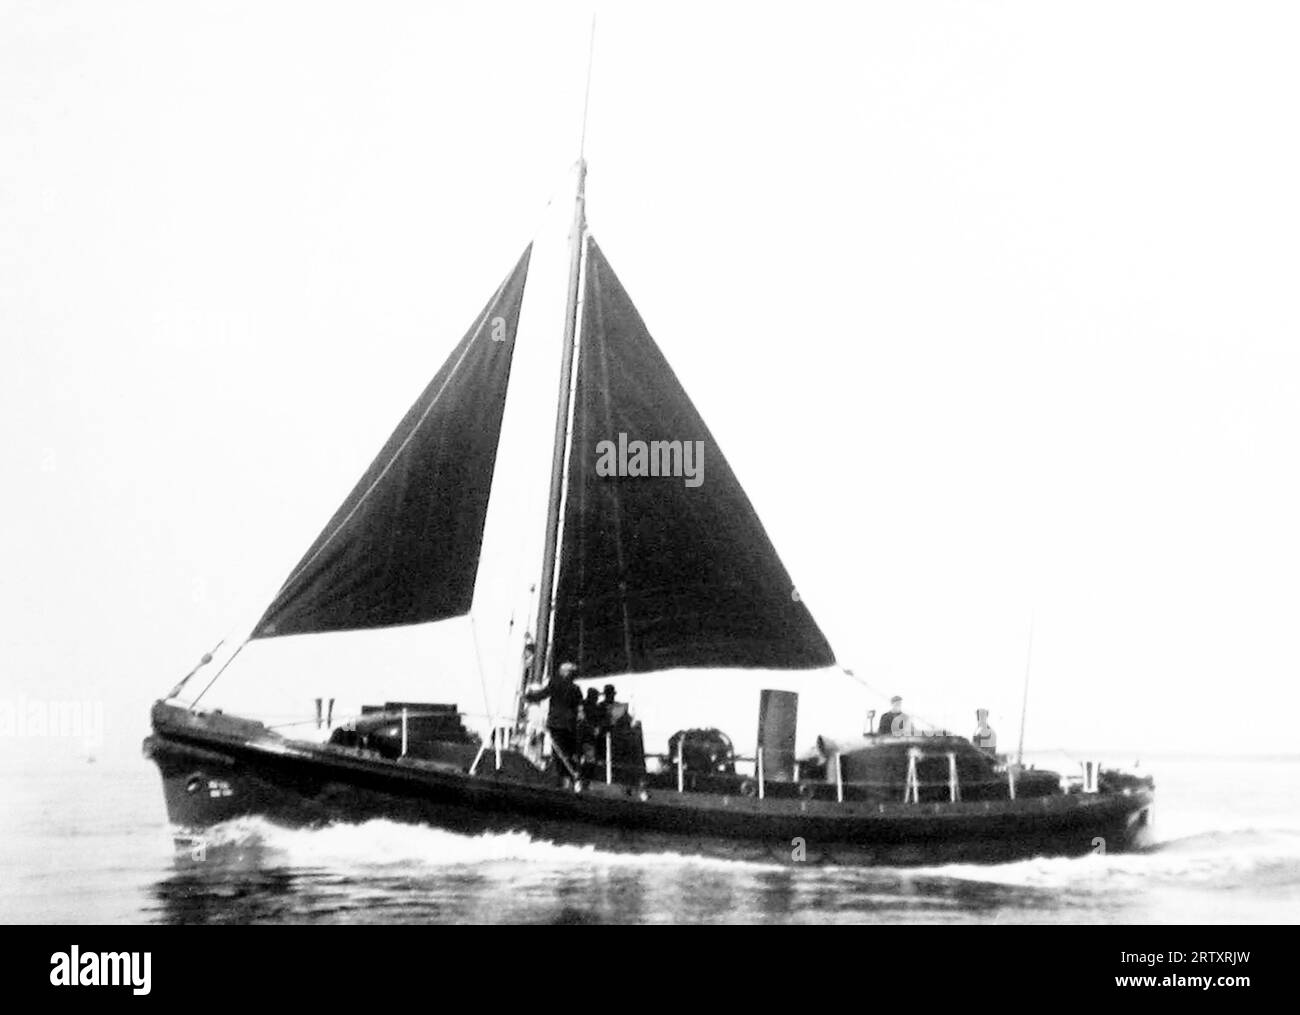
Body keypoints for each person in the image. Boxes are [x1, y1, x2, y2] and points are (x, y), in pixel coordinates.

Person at [523, 661, 583, 783]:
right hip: (570, 725)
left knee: (557, 751)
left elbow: (542, 694)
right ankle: (568, 776)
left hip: (556, 723)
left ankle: (559, 776)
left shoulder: (556, 684)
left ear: (565, 673)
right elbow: (580, 708)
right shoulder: (576, 689)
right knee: (567, 751)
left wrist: (528, 697)